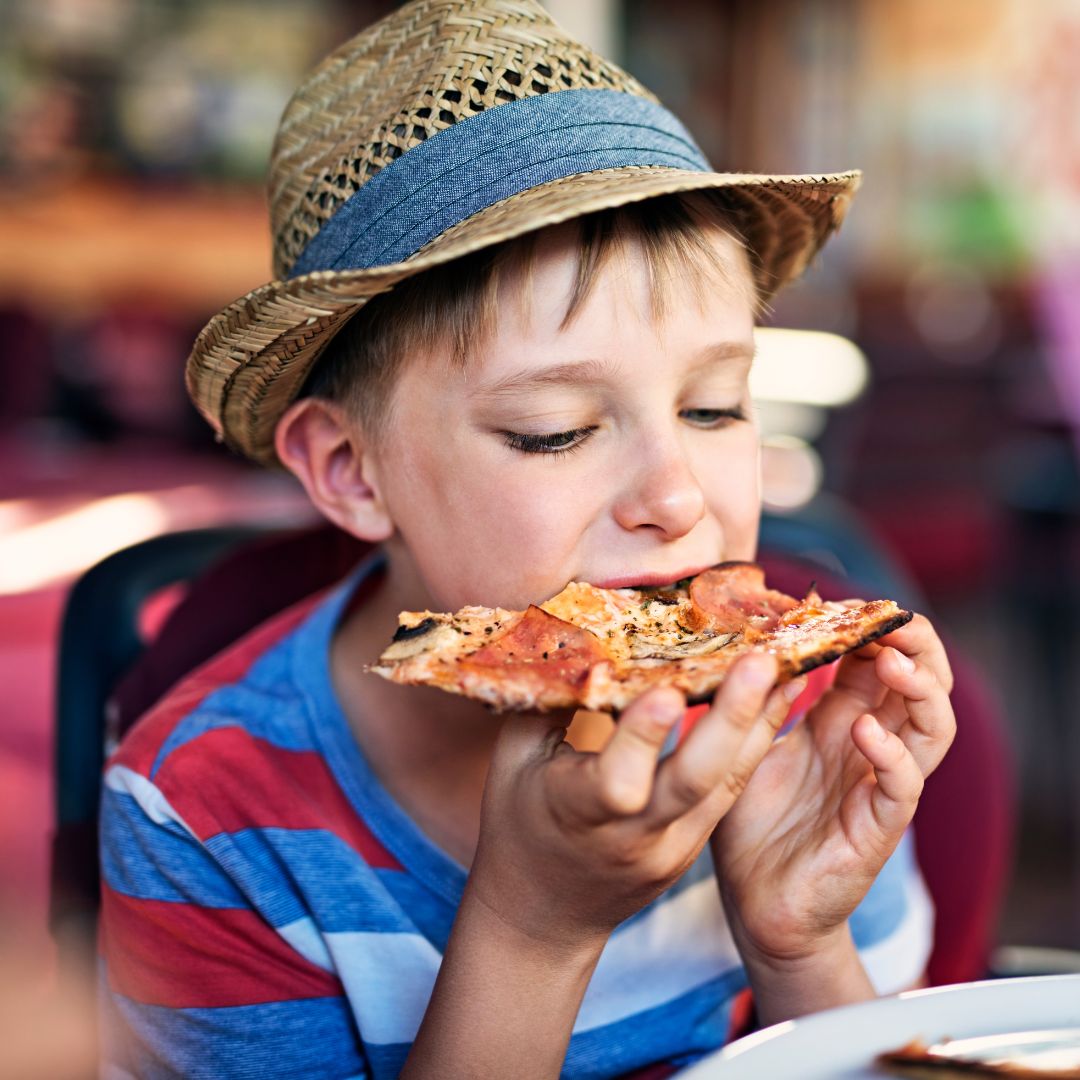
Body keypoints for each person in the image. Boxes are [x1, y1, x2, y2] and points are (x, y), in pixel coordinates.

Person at [98, 1, 956, 1076]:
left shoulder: (800, 716)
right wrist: (533, 927)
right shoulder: (203, 820)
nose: (675, 497)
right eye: (555, 431)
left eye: (716, 408)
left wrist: (801, 942)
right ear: (351, 473)